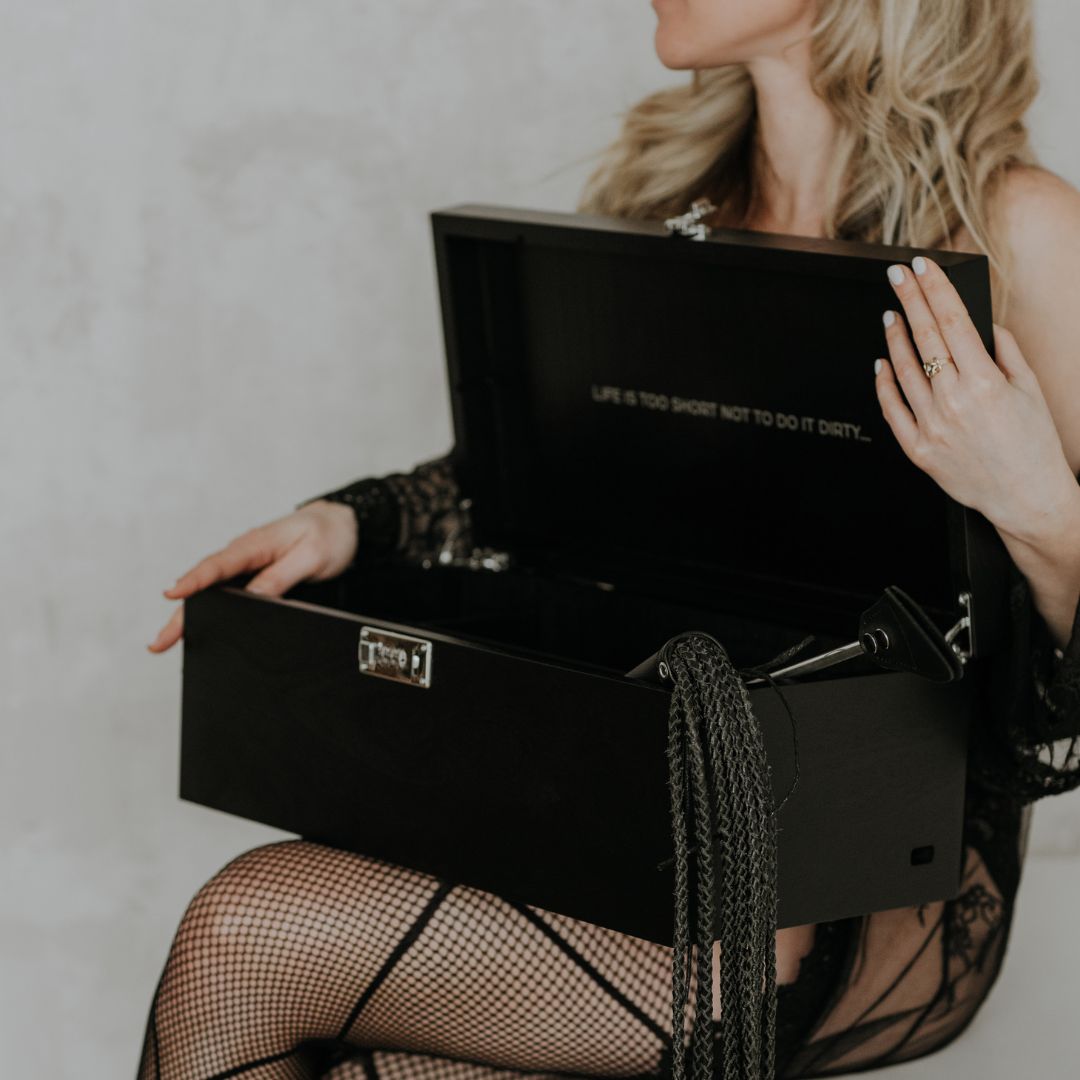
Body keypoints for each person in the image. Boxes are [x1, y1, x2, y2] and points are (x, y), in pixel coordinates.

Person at [139, 1, 1080, 1077]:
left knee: (240, 932)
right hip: (630, 821)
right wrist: (346, 523)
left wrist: (1036, 502)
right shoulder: (666, 192)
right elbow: (563, 487)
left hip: (865, 900)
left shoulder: (1023, 229)